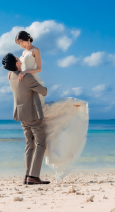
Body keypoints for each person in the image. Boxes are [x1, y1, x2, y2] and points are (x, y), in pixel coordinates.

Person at [7, 30, 91, 181]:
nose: (20, 45)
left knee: (40, 116)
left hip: (33, 81)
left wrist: (24, 72)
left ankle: (30, 175)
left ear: (27, 39)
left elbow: (39, 68)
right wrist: (14, 72)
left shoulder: (35, 50)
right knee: (38, 128)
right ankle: (32, 175)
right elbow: (16, 67)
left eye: (21, 42)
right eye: (18, 44)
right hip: (27, 83)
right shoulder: (22, 54)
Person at [3, 53, 51, 185]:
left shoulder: (11, 76)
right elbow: (44, 91)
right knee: (41, 144)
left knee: (29, 144)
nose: (20, 59)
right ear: (17, 63)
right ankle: (33, 176)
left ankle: (27, 175)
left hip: (21, 115)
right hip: (33, 114)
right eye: (18, 59)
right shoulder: (27, 77)